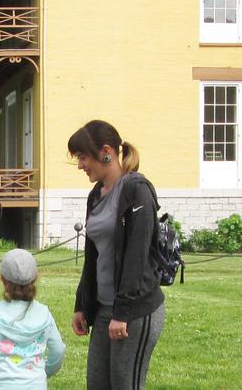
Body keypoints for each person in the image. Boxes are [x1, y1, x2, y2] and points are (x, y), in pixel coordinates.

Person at [68, 120, 166, 390]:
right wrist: (82, 304)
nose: (80, 165)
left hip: (135, 311)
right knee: (96, 384)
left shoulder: (137, 190)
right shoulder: (96, 195)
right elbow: (93, 256)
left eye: (83, 156)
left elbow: (137, 256)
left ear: (106, 152)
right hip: (103, 309)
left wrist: (122, 313)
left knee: (126, 385)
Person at [0, 248, 66, 390]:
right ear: (35, 277)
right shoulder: (44, 314)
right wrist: (45, 371)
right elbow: (59, 350)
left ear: (3, 280)